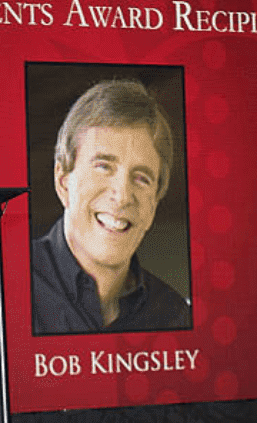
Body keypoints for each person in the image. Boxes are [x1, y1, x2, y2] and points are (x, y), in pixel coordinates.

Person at [31, 79, 190, 334]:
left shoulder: (174, 315)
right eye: (104, 166)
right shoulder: (9, 289)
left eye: (141, 178)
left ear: (153, 207)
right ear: (63, 183)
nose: (123, 195)